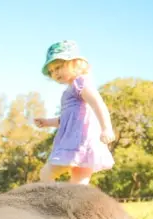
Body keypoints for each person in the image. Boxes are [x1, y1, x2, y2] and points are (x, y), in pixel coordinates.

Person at [34, 40, 115, 185]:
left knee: (46, 174)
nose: (55, 73)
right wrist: (47, 122)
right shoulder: (69, 90)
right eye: (51, 71)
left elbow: (98, 104)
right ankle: (71, 204)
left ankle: (59, 201)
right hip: (79, 143)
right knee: (77, 187)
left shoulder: (80, 83)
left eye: (58, 67)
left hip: (78, 143)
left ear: (75, 64)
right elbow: (66, 119)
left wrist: (106, 128)